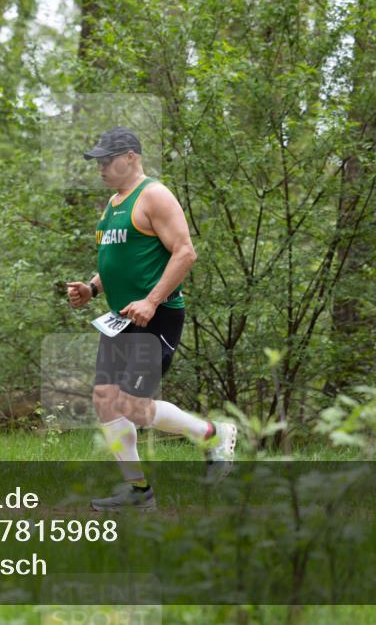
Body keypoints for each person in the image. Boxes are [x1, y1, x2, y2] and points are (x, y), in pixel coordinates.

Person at [66, 126, 236, 512]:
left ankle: (210, 433)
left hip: (155, 318)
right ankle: (138, 492)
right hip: (120, 318)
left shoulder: (155, 195)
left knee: (129, 404)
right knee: (105, 399)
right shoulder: (114, 202)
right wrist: (92, 288)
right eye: (98, 162)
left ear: (131, 157)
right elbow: (120, 261)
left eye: (107, 160)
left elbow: (185, 253)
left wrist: (152, 301)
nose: (101, 168)